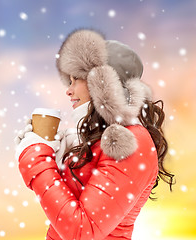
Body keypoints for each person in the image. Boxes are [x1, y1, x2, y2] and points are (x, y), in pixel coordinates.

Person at [14, 29, 175, 240]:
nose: (68, 91)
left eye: (75, 81)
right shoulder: (98, 140)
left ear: (102, 83)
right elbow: (65, 210)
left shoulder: (130, 141)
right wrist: (54, 153)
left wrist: (34, 158)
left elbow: (81, 231)